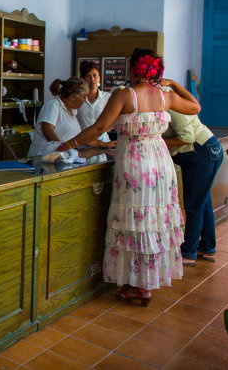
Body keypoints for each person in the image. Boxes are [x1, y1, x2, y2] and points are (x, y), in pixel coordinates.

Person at [61, 49, 200, 306]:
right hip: (160, 165)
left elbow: (99, 128)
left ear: (134, 69)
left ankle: (132, 283)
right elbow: (195, 106)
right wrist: (174, 85)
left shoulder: (125, 95)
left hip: (135, 166)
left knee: (133, 222)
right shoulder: (164, 96)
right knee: (152, 222)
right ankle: (144, 285)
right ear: (156, 71)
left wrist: (66, 145)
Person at [163, 111, 222, 267]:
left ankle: (188, 252)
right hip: (207, 150)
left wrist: (157, 140)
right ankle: (207, 246)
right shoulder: (169, 100)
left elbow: (187, 138)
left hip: (200, 152)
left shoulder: (172, 105)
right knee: (203, 202)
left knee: (194, 205)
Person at [27, 77, 113, 156]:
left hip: (59, 158)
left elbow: (79, 138)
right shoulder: (53, 105)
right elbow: (47, 129)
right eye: (84, 97)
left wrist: (103, 144)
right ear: (73, 96)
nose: (85, 100)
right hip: (42, 157)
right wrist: (63, 149)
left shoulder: (72, 112)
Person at [77, 61, 113, 144]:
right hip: (82, 143)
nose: (92, 79)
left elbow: (114, 121)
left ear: (99, 78)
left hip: (103, 143)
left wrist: (100, 131)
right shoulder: (78, 98)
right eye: (88, 76)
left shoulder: (107, 97)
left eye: (95, 75)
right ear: (82, 79)